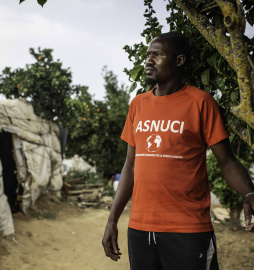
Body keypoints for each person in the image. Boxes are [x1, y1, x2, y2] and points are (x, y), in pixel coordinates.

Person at [102, 31, 254, 270]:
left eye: (157, 55)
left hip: (187, 229)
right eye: (148, 55)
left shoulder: (201, 102)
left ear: (179, 61)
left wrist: (249, 194)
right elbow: (130, 166)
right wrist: (112, 219)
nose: (148, 61)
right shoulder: (137, 104)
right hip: (140, 228)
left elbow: (227, 161)